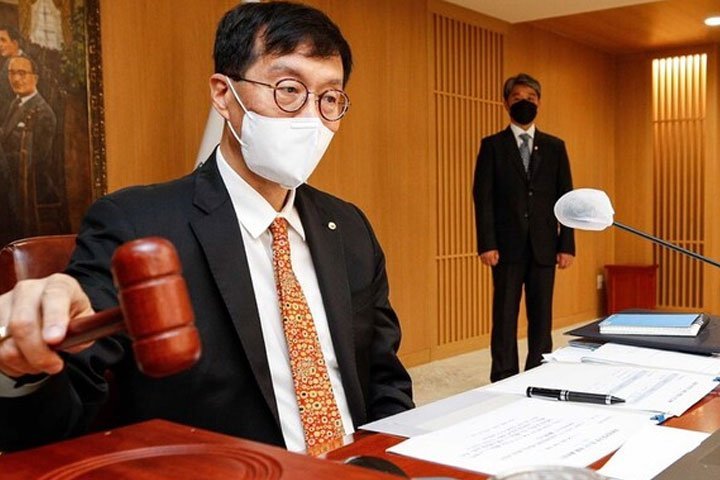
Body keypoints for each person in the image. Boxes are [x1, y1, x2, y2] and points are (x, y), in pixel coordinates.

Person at [0, 1, 413, 455]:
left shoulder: (350, 228)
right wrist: (23, 365)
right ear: (223, 94)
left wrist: (390, 461)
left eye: (329, 98)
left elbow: (385, 380)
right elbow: (61, 414)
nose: (311, 118)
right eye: (289, 89)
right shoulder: (136, 225)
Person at [472, 73, 575, 383]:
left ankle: (540, 373)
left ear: (539, 102)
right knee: (505, 316)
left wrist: (567, 244)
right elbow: (483, 197)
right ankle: (504, 375)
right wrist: (486, 243)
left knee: (541, 316)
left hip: (545, 246)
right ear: (506, 103)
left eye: (530, 98)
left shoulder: (555, 147)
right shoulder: (492, 146)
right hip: (505, 247)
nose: (524, 103)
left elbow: (566, 198)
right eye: (517, 98)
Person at [0, 55, 57, 246]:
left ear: (35, 78)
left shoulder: (44, 113)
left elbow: (38, 159)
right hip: (12, 176)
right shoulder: (16, 104)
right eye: (12, 73)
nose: (16, 79)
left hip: (33, 182)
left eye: (22, 73)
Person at [0, 25, 24, 109]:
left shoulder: (23, 65)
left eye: (3, 40)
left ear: (15, 44)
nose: (0, 44)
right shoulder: (10, 60)